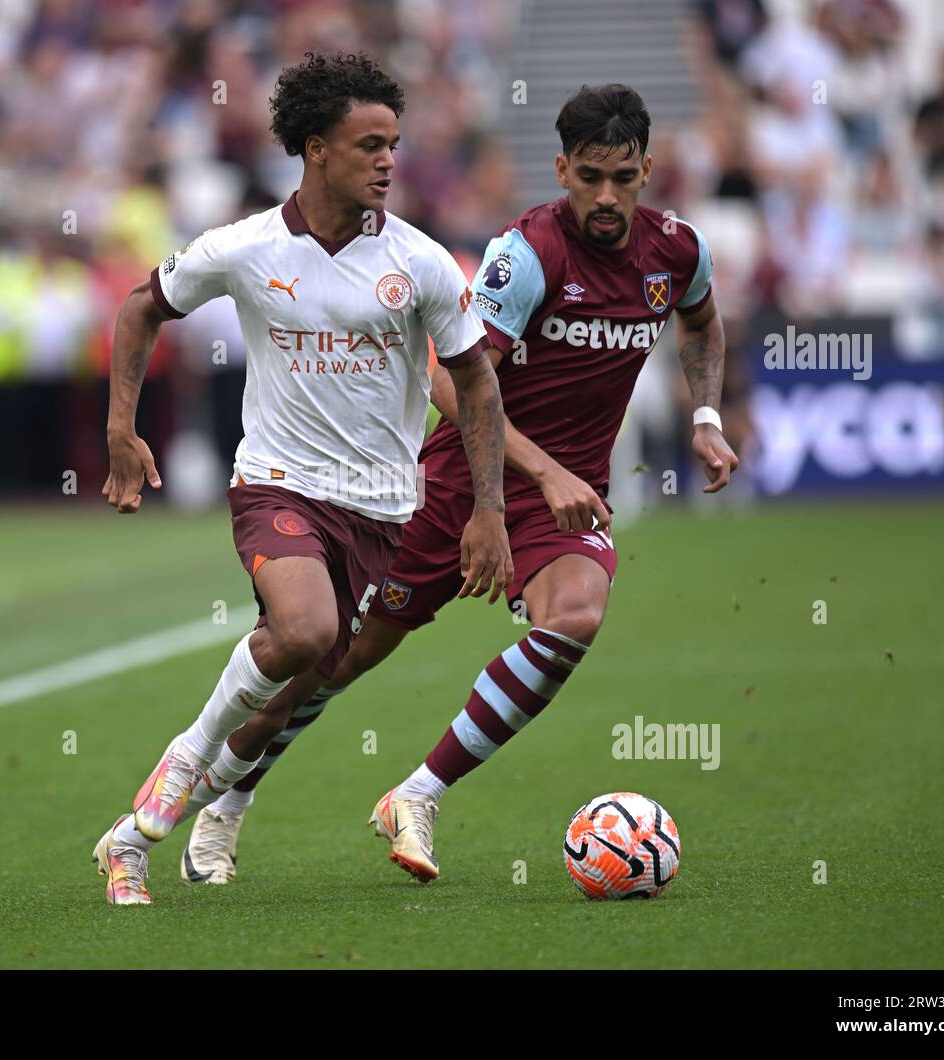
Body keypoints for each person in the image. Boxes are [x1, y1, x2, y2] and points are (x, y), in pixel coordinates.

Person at [177, 83, 739, 885]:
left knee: (575, 615)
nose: (606, 196)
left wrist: (707, 415)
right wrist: (524, 484)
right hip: (455, 487)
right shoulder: (527, 254)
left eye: (623, 176)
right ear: (561, 169)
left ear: (648, 169)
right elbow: (453, 384)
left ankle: (418, 792)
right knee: (334, 660)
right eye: (589, 177)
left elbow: (703, 320)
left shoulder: (679, 250)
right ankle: (224, 805)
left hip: (562, 498)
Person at [91, 52, 512, 905]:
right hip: (278, 484)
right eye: (369, 145)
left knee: (303, 683)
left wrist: (490, 512)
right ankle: (183, 764)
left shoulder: (423, 262)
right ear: (316, 149)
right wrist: (120, 429)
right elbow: (141, 310)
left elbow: (473, 381)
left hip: (383, 507)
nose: (388, 161)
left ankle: (147, 835)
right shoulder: (244, 247)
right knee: (306, 628)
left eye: (394, 143)